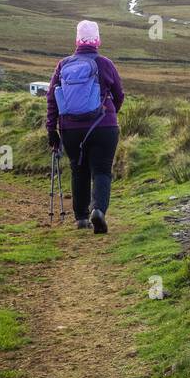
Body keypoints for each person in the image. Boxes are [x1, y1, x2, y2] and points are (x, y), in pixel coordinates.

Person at [45, 20, 124, 232]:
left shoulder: (63, 65)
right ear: (97, 40)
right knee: (101, 170)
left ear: (77, 40)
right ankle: (98, 210)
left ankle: (81, 217)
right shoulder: (105, 64)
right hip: (103, 126)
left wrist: (52, 130)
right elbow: (119, 94)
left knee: (78, 169)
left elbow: (52, 98)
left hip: (70, 128)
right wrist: (110, 113)